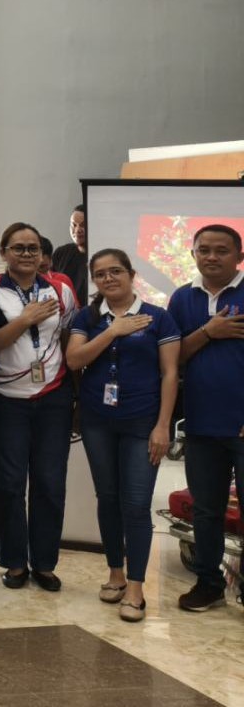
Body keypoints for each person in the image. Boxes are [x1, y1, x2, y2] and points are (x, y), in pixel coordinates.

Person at [66, 249, 179, 622]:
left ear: (132, 275)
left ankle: (135, 587)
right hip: (97, 422)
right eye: (100, 274)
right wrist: (113, 331)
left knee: (136, 504)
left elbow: (170, 374)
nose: (108, 278)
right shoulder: (88, 317)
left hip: (142, 423)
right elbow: (75, 359)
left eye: (115, 271)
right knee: (109, 498)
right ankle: (115, 572)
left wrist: (163, 425)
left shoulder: (158, 317)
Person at [0, 222, 78, 592]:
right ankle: (13, 561)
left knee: (50, 483)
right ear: (3, 252)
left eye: (33, 248)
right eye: (18, 247)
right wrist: (25, 319)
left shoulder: (61, 288)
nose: (26, 254)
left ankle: (44, 563)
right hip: (6, 399)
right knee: (10, 484)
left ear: (42, 254)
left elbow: (70, 337)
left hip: (54, 398)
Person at [167, 223, 244, 612]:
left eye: (221, 250)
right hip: (201, 425)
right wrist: (209, 332)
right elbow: (173, 356)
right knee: (207, 510)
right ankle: (209, 584)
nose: (211, 257)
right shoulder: (183, 298)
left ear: (239, 256)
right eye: (204, 250)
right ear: (193, 254)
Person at [51, 204, 88, 301]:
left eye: (83, 225)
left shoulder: (101, 256)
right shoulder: (61, 253)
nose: (77, 230)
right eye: (74, 225)